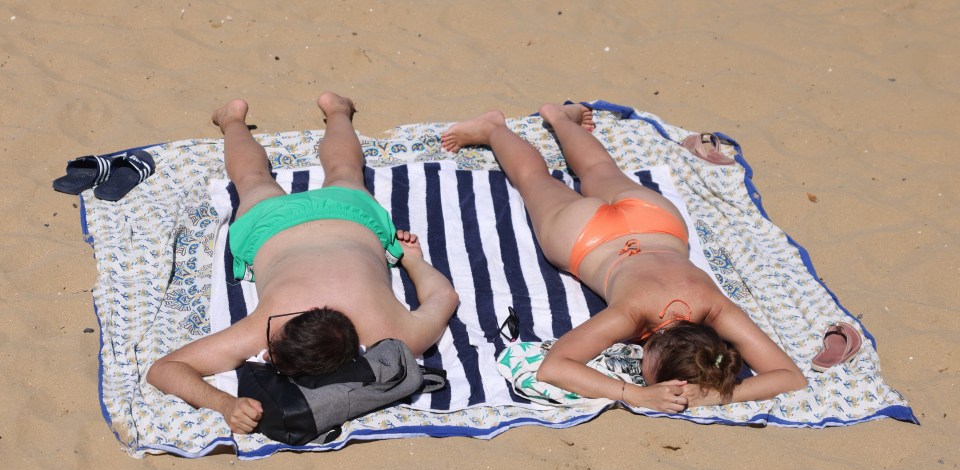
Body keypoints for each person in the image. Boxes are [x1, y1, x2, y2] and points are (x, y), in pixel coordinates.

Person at [441, 103, 806, 412]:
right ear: (654, 356)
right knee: (532, 177)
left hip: (653, 222)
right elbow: (554, 368)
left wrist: (708, 391)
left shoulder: (712, 307)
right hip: (587, 239)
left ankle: (561, 119)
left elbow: (789, 377)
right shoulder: (633, 313)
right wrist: (642, 395)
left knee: (599, 171)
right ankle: (492, 129)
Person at [147, 93, 459, 433]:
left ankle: (328, 110)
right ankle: (237, 119)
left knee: (338, 173)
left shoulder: (394, 334)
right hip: (276, 226)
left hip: (347, 216)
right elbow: (166, 369)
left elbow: (443, 298)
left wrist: (414, 262)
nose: (266, 354)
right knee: (256, 180)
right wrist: (223, 403)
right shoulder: (386, 332)